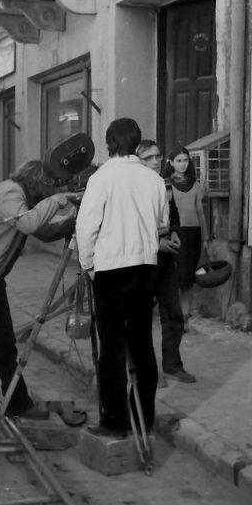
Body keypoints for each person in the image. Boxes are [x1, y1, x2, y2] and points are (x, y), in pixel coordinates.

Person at [0, 160, 79, 453]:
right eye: (50, 185)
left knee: (6, 344)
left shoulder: (21, 202)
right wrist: (59, 200)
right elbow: (31, 223)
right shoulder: (10, 194)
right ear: (37, 181)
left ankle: (18, 404)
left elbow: (44, 232)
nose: (53, 189)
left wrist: (75, 221)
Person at [76, 118, 167, 438]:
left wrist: (88, 264)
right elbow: (161, 221)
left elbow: (86, 226)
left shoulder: (102, 178)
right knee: (142, 343)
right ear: (137, 142)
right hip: (144, 267)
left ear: (110, 143)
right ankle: (145, 419)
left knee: (112, 346)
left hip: (111, 269)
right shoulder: (154, 179)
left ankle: (114, 422)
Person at [136, 140, 196, 385]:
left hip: (165, 257)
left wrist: (173, 232)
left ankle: (172, 364)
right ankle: (148, 372)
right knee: (140, 319)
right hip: (142, 258)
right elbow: (133, 224)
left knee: (173, 314)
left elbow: (173, 214)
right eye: (148, 157)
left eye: (157, 156)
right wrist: (155, 242)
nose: (155, 161)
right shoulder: (134, 186)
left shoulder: (163, 184)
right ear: (137, 161)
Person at [164, 146, 210, 331]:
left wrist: (205, 237)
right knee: (176, 278)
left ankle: (185, 320)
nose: (183, 164)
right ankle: (172, 319)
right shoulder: (166, 184)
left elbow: (200, 211)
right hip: (176, 233)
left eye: (185, 160)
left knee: (189, 279)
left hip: (194, 235)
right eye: (179, 161)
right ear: (171, 163)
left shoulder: (196, 184)